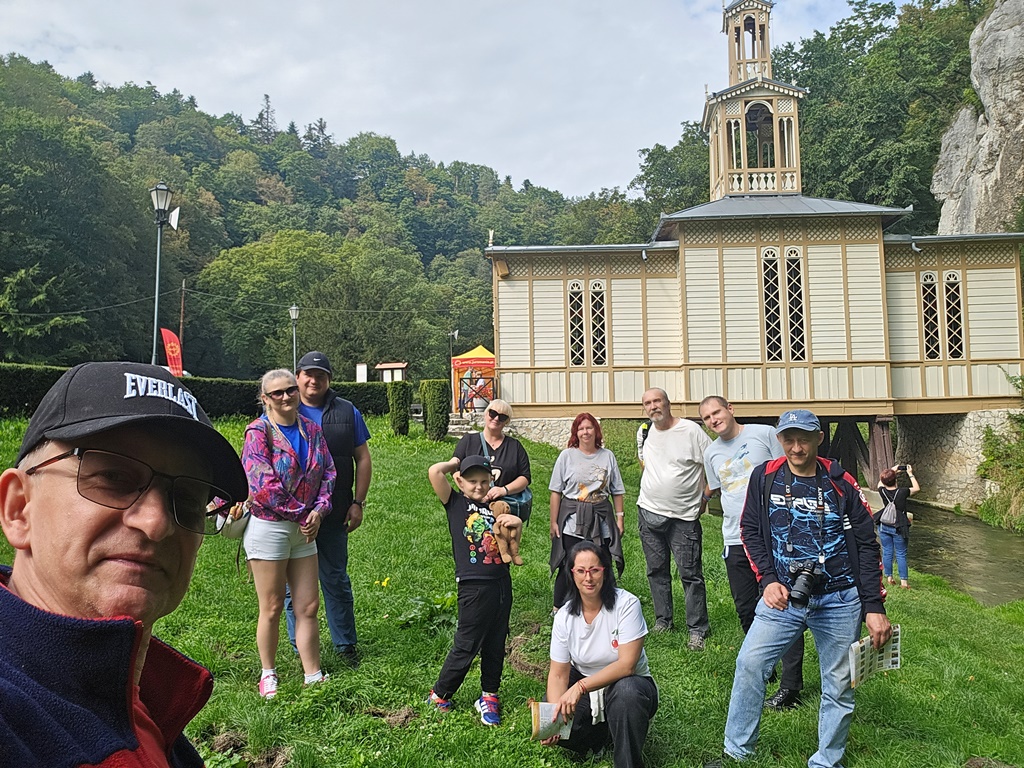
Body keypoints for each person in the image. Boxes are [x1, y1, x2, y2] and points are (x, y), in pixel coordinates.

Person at [0, 361, 247, 767]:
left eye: (186, 498)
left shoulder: (145, 701)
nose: (157, 523)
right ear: (19, 509)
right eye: (113, 478)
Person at [708, 409, 891, 768]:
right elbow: (750, 530)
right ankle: (737, 752)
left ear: (818, 438)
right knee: (749, 664)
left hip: (840, 598)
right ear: (779, 440)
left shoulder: (841, 482)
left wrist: (873, 605)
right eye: (789, 439)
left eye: (804, 439)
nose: (796, 447)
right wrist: (768, 579)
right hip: (783, 597)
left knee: (838, 684)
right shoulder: (765, 477)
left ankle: (826, 761)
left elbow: (868, 545)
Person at [699, 396, 806, 711]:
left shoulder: (764, 434)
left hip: (772, 537)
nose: (713, 419)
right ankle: (765, 663)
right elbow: (719, 489)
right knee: (746, 608)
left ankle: (791, 686)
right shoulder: (711, 453)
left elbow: (789, 474)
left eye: (717, 412)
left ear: (730, 409)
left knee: (782, 606)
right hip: (735, 538)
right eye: (706, 417)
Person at [242, 369, 336, 698]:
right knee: (271, 607)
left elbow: (329, 472)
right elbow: (262, 485)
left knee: (308, 606)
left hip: (305, 529)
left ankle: (313, 673)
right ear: (265, 399)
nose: (286, 397)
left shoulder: (312, 430)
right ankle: (268, 674)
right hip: (270, 527)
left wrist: (319, 511)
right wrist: (302, 514)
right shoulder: (258, 432)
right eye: (277, 393)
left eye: (290, 390)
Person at [285, 351, 372, 667]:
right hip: (292, 516)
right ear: (298, 377)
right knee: (291, 586)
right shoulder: (284, 408)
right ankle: (299, 645)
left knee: (335, 578)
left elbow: (363, 458)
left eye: (320, 375)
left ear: (329, 380)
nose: (313, 380)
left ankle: (345, 645)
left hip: (334, 512)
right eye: (308, 374)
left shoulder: (347, 411)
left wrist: (357, 503)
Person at [543, 541, 659, 768]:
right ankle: (599, 739)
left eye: (594, 570)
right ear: (572, 574)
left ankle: (627, 761)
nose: (588, 578)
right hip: (586, 682)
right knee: (555, 713)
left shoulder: (627, 604)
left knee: (627, 693)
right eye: (581, 571)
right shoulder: (564, 616)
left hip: (629, 683)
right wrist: (554, 722)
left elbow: (627, 665)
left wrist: (580, 687)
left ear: (605, 572)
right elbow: (558, 674)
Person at [426, 454, 517, 726]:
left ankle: (489, 695)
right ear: (460, 482)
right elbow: (435, 472)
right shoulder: (456, 503)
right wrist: (456, 464)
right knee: (467, 643)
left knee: (496, 642)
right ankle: (440, 694)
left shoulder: (494, 508)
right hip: (473, 586)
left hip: (502, 583)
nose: (478, 486)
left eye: (484, 481)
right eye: (472, 481)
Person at [635, 388, 712, 650]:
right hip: (648, 512)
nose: (653, 406)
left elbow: (714, 463)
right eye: (648, 403)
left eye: (657, 401)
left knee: (690, 574)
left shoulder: (691, 431)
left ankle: (697, 629)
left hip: (683, 518)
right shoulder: (645, 432)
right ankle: (663, 620)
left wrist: (705, 498)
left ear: (668, 403)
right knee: (656, 570)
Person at [549, 412, 626, 612]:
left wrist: (620, 518)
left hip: (601, 518)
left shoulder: (607, 456)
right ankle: (559, 608)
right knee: (570, 563)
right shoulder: (567, 456)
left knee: (602, 562)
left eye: (589, 427)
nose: (585, 432)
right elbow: (556, 491)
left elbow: (617, 491)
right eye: (581, 428)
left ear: (596, 430)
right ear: (576, 432)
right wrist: (554, 522)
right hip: (572, 520)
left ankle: (605, 606)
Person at [453, 398, 531, 506]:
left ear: (506, 422)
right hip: (471, 505)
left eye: (502, 417)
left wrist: (504, 490)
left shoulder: (515, 446)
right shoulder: (468, 441)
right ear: (486, 414)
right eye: (493, 413)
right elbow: (455, 471)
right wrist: (473, 493)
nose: (496, 418)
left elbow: (525, 477)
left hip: (503, 506)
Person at [875, 465, 919, 590]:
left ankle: (889, 578)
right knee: (901, 554)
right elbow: (916, 488)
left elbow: (880, 483)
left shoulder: (882, 491)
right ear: (896, 480)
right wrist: (910, 473)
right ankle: (904, 583)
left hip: (884, 525)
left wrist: (892, 470)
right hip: (898, 526)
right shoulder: (902, 492)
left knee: (887, 552)